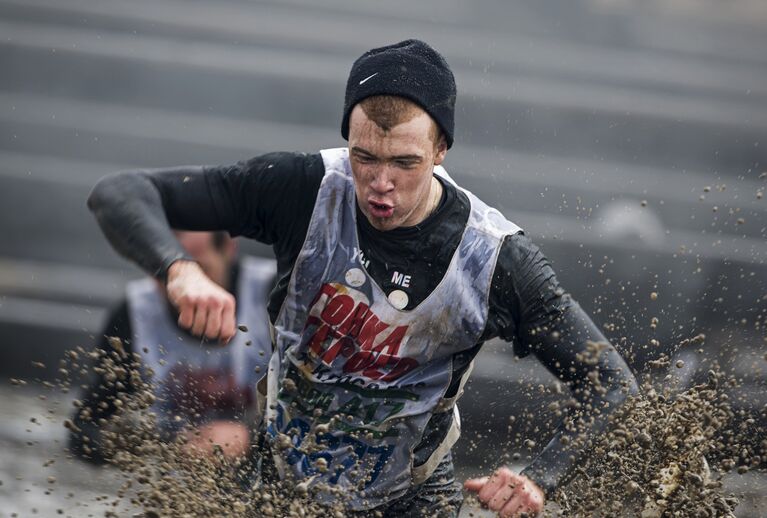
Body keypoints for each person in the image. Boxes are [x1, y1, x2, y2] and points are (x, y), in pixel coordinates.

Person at [87, 39, 638, 517]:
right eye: (364, 157)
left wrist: (539, 476)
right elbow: (120, 192)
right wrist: (179, 270)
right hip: (282, 485)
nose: (380, 184)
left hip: (409, 498)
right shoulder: (301, 188)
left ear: (441, 149)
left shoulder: (495, 258)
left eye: (405, 163)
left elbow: (611, 383)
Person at [69, 231, 275, 463]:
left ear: (229, 247)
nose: (185, 294)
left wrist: (250, 438)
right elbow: (84, 433)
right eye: (166, 274)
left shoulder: (274, 294)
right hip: (173, 477)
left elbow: (316, 420)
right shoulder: (133, 315)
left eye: (200, 272)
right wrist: (158, 443)